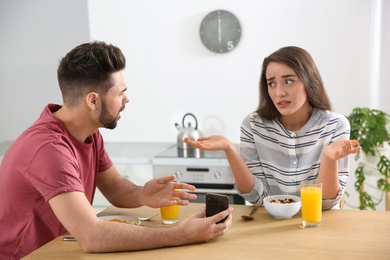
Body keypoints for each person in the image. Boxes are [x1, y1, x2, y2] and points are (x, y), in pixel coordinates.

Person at [0, 41, 233, 259]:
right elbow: (93, 237)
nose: (127, 99)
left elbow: (113, 187)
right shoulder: (49, 149)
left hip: (63, 249)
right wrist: (183, 234)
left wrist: (143, 194)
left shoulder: (89, 132)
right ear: (93, 101)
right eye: (120, 93)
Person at [185, 46, 361, 210]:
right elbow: (256, 197)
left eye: (289, 81)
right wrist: (229, 149)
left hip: (320, 225)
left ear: (309, 81)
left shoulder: (336, 125)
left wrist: (328, 158)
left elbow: (326, 203)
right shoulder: (253, 125)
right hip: (269, 224)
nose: (279, 93)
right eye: (271, 83)